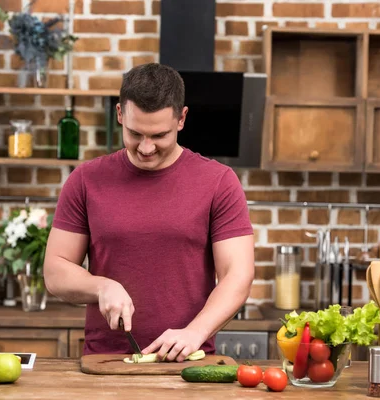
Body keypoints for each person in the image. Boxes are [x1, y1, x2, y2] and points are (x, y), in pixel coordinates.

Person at [43, 63, 255, 362]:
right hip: (106, 364)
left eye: (158, 135)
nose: (145, 148)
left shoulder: (219, 182)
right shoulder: (86, 180)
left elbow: (238, 275)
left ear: (181, 119)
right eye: (134, 133)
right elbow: (55, 271)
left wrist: (194, 333)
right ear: (120, 114)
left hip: (186, 363)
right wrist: (101, 285)